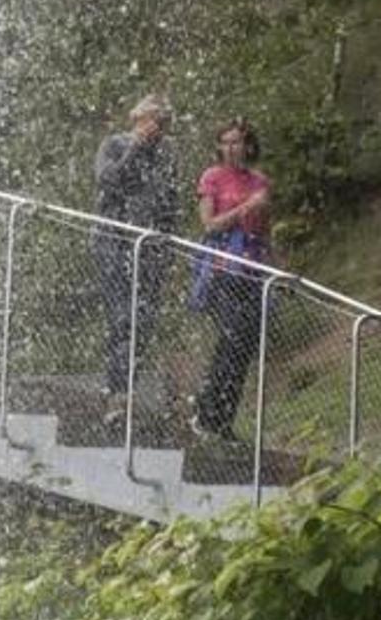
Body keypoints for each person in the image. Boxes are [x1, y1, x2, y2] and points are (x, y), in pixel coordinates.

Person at [90, 95, 179, 404]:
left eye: (163, 122)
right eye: (152, 119)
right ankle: (116, 390)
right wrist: (134, 148)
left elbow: (170, 201)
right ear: (136, 118)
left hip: (151, 248)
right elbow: (108, 181)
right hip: (114, 241)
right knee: (122, 314)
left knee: (145, 319)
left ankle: (126, 386)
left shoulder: (165, 156)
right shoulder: (114, 144)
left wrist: (168, 244)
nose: (157, 127)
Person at [188, 120, 274, 441]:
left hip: (253, 269)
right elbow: (210, 225)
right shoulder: (212, 177)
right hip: (223, 269)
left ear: (249, 145)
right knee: (232, 335)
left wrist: (278, 268)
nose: (231, 148)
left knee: (245, 346)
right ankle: (204, 408)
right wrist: (246, 207)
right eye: (225, 142)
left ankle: (224, 420)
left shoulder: (260, 181)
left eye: (237, 142)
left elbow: (265, 231)